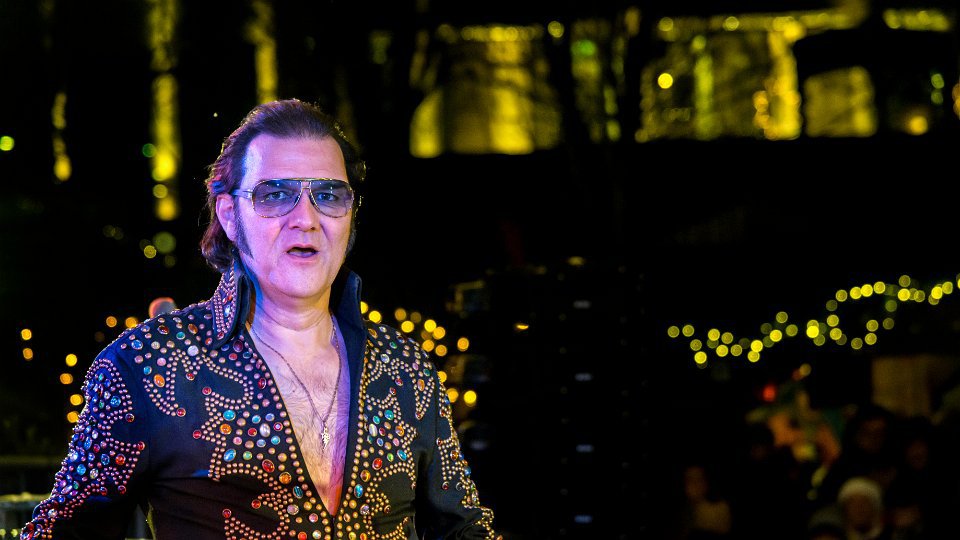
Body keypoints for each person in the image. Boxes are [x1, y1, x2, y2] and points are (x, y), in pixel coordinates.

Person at [21, 98, 499, 540]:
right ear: (230, 216)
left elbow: (465, 531)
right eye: (275, 195)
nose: (306, 218)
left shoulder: (405, 368)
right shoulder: (149, 365)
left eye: (329, 195)